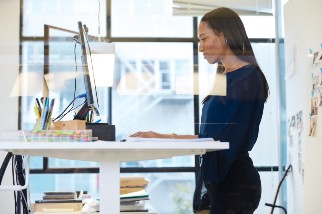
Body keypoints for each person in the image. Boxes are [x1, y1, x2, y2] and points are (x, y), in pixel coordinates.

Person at [130, 7, 269, 214]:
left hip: (234, 186)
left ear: (223, 36)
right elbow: (212, 140)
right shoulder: (224, 76)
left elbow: (221, 141)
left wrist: (164, 137)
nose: (201, 48)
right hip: (216, 182)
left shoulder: (248, 78)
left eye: (204, 39)